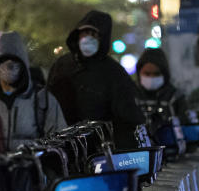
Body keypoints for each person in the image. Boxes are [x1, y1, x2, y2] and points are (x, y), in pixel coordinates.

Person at [47, 10, 145, 148]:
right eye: (84, 33)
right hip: (63, 144)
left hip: (100, 146)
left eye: (93, 34)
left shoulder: (114, 72)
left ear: (102, 39)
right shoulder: (62, 66)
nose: (88, 38)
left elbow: (127, 116)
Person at [0, 31, 67, 155]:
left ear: (23, 65)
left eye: (15, 61)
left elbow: (59, 141)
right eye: (3, 60)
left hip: (31, 171)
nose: (9, 66)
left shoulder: (42, 99)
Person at [134, 47, 188, 127]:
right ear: (139, 73)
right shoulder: (131, 96)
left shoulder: (175, 97)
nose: (151, 78)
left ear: (164, 74)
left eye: (156, 74)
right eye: (147, 74)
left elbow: (185, 125)